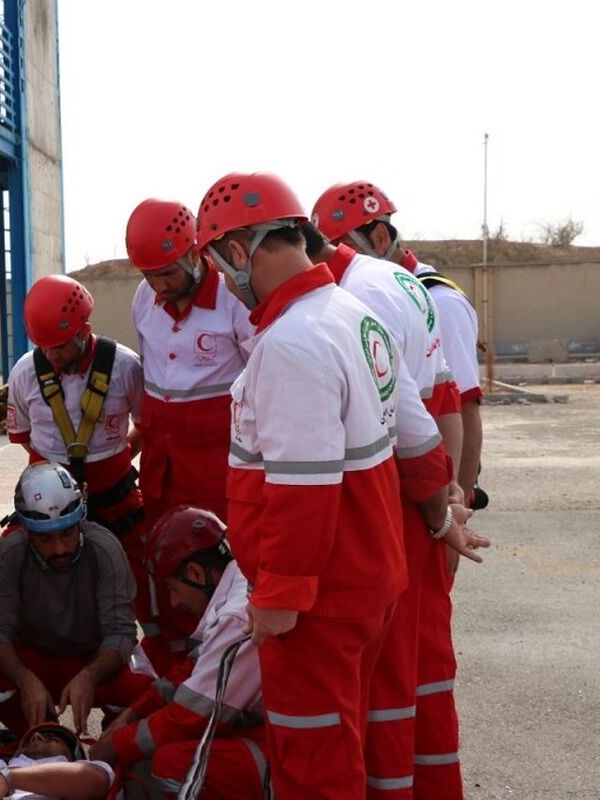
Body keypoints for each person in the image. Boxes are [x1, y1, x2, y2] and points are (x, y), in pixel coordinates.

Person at [195, 170, 410, 798]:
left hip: (316, 604)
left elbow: (302, 488)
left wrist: (278, 597)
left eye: (218, 264)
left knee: (314, 767)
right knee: (344, 747)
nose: (224, 284)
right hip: (363, 577)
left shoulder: (292, 341)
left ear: (238, 252)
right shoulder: (347, 311)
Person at [309, 182, 487, 797]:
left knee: (396, 682)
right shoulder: (404, 287)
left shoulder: (376, 297)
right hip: (422, 505)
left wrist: (453, 506)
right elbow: (437, 405)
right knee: (416, 676)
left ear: (379, 236)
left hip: (408, 509)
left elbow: (457, 406)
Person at [124, 197, 254, 673]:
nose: (159, 286)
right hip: (162, 465)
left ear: (194, 254)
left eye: (167, 274)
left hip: (218, 466)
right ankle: (169, 665)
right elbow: (153, 380)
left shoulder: (234, 299)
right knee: (162, 564)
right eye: (149, 275)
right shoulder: (146, 300)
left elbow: (260, 378)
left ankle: (222, 667)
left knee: (219, 570)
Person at [5, 276, 149, 659]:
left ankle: (149, 671)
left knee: (148, 577)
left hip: (115, 491)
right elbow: (21, 436)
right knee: (12, 571)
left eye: (60, 347)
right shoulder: (24, 372)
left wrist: (116, 461)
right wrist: (52, 479)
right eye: (44, 348)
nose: (51, 356)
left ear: (85, 330)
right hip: (46, 500)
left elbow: (148, 425)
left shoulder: (124, 367)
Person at [0, 463, 152, 736]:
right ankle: (39, 733)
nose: (59, 548)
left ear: (80, 522)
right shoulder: (10, 552)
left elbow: (121, 632)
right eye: (45, 538)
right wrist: (25, 681)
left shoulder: (105, 548)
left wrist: (90, 676)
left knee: (143, 688)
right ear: (25, 530)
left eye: (67, 533)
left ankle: (114, 736)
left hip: (92, 658)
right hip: (34, 659)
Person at [90, 506, 268, 800]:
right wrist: (135, 712)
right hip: (278, 731)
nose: (173, 603)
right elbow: (193, 670)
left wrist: (116, 744)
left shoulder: (235, 618)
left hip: (288, 749)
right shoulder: (238, 580)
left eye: (171, 589)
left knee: (174, 762)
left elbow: (193, 714)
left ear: (196, 573)